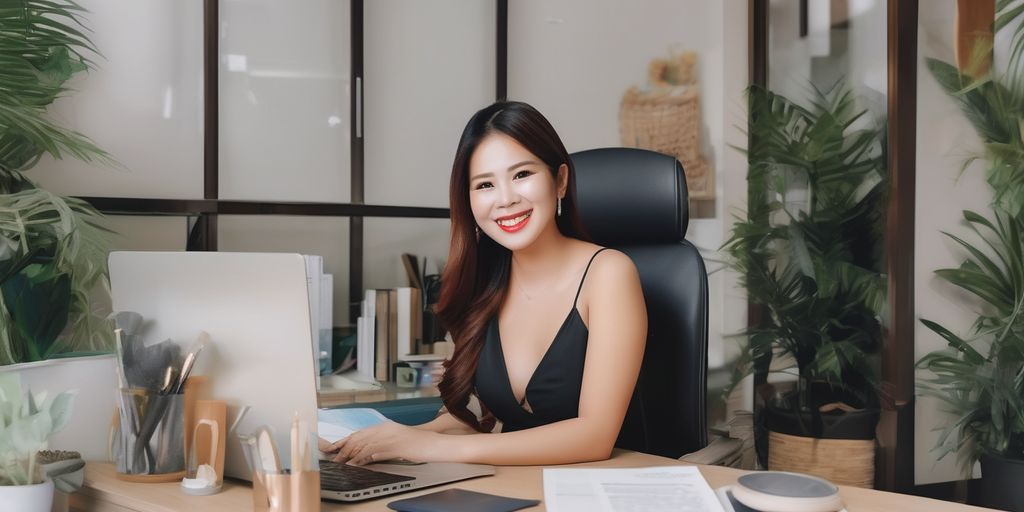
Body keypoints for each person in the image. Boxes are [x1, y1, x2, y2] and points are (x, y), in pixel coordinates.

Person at [328, 101, 647, 466]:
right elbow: (477, 421)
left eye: (522, 174)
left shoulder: (608, 274)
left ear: (559, 180)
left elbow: (594, 437)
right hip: (523, 487)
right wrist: (384, 441)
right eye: (484, 184)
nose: (506, 199)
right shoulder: (486, 283)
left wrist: (429, 447)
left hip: (607, 492)